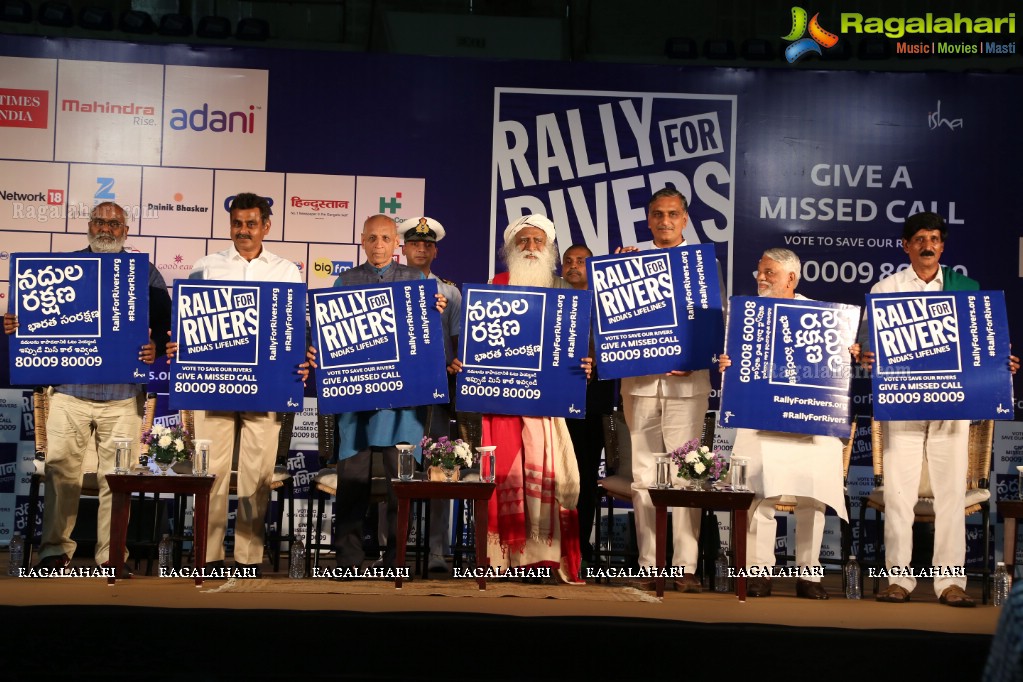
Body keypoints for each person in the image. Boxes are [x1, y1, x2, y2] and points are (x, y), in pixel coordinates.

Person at [859, 211, 1019, 607]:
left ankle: (950, 583)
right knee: (899, 494)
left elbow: (982, 345)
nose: (927, 245)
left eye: (934, 238)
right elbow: (868, 349)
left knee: (950, 492)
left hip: (952, 404)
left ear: (942, 246)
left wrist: (1002, 362)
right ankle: (899, 579)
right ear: (906, 246)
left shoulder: (968, 288)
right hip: (905, 404)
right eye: (919, 239)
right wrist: (867, 357)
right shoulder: (887, 288)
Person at [4, 201, 164, 577]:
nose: (105, 228)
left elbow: (163, 325)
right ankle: (54, 551)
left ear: (126, 231)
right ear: (88, 226)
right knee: (61, 475)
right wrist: (18, 324)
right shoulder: (63, 271)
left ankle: (112, 556)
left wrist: (155, 348)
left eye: (113, 223)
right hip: (70, 392)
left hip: (123, 396)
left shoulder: (145, 274)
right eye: (99, 221)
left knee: (118, 479)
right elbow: (34, 322)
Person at [169, 192, 303, 576]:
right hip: (213, 387)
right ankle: (208, 556)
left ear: (266, 226)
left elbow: (294, 332)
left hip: (267, 389)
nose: (243, 230)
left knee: (257, 477)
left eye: (251, 223)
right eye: (237, 223)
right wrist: (182, 342)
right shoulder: (205, 267)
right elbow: (187, 323)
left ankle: (248, 558)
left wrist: (301, 359)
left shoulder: (286, 271)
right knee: (209, 473)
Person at [452, 214, 591, 584]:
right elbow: (475, 342)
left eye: (538, 241)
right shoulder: (493, 287)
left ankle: (543, 558)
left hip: (546, 408)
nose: (531, 247)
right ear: (510, 248)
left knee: (546, 476)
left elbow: (576, 346)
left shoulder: (563, 289)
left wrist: (585, 363)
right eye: (523, 241)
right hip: (501, 406)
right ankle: (503, 559)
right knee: (504, 475)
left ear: (550, 247)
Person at [306, 214, 446, 574]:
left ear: (395, 243)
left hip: (402, 407)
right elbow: (326, 333)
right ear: (363, 241)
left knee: (401, 487)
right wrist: (317, 348)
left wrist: (435, 312)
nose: (379, 245)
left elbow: (427, 338)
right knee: (353, 485)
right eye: (372, 239)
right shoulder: (347, 279)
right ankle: (348, 561)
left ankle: (398, 559)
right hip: (357, 404)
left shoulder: (415, 280)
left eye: (386, 238)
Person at [718, 248, 850, 599]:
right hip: (761, 420)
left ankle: (809, 574)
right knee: (759, 494)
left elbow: (837, 370)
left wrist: (846, 355)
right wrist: (728, 363)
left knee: (814, 496)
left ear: (791, 278)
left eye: (769, 272)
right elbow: (734, 365)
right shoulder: (746, 317)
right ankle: (758, 571)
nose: (761, 278)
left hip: (810, 420)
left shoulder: (823, 319)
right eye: (759, 271)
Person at [621, 186, 724, 593]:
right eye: (658, 214)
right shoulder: (631, 261)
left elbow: (715, 320)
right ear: (649, 220)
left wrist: (697, 357)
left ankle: (685, 566)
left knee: (686, 474)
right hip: (641, 383)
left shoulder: (702, 265)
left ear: (684, 220)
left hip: (688, 384)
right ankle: (650, 564)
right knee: (644, 475)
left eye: (673, 214)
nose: (665, 221)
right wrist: (620, 271)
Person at [399, 216, 462, 572]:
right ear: (403, 248)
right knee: (396, 469)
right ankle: (391, 547)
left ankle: (438, 551)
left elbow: (456, 345)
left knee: (441, 469)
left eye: (427, 244)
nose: (420, 248)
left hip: (436, 394)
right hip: (397, 392)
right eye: (414, 243)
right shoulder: (385, 286)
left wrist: (455, 363)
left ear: (434, 250)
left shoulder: (450, 292)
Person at [561, 243, 615, 568]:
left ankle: (580, 547)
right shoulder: (553, 300)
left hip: (590, 404)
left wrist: (597, 359)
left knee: (582, 479)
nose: (573, 266)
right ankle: (553, 547)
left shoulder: (607, 304)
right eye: (568, 261)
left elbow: (622, 348)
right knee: (555, 477)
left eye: (581, 261)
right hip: (553, 405)